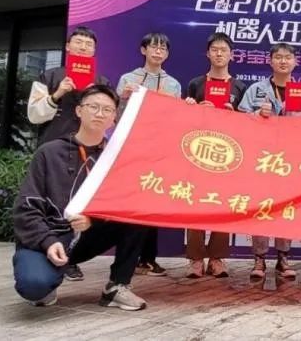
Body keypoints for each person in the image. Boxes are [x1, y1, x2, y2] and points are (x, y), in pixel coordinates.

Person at [12, 85, 148, 311]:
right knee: (34, 287)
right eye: (93, 107)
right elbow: (26, 208)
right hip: (49, 236)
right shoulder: (49, 152)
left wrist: (93, 219)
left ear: (113, 118)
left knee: (138, 212)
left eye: (107, 110)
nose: (99, 114)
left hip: (86, 235)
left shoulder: (115, 158)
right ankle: (48, 277)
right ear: (79, 111)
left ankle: (117, 286)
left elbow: (122, 202)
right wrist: (47, 241)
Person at [26, 25, 111, 282]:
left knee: (83, 203)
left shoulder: (102, 81)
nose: (83, 47)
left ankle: (72, 256)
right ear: (68, 47)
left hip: (90, 152)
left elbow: (111, 117)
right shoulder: (49, 76)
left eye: (89, 44)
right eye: (79, 42)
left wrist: (95, 96)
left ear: (95, 50)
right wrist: (59, 93)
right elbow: (34, 115)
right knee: (55, 201)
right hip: (55, 150)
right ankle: (49, 248)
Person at [238, 43, 301, 279]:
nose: (283, 61)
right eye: (278, 57)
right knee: (262, 207)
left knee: (286, 208)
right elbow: (239, 120)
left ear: (295, 62)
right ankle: (259, 259)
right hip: (262, 159)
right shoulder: (256, 89)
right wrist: (256, 115)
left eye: (287, 57)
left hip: (291, 160)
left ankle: (283, 258)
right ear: (270, 61)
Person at [116, 32, 182, 277]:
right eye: (153, 47)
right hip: (131, 148)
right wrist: (123, 97)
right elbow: (116, 115)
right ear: (143, 50)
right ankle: (125, 259)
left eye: (163, 48)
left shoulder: (173, 85)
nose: (158, 51)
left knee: (152, 202)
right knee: (129, 204)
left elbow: (176, 119)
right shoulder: (127, 79)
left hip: (159, 150)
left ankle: (148, 258)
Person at [183, 32, 248, 278]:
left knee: (224, 204)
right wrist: (195, 110)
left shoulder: (240, 86)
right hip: (199, 151)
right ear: (208, 54)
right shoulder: (195, 83)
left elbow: (249, 123)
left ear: (232, 55)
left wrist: (234, 113)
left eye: (224, 50)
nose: (219, 54)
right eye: (215, 49)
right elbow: (184, 120)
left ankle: (217, 258)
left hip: (229, 154)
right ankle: (195, 258)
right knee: (196, 205)